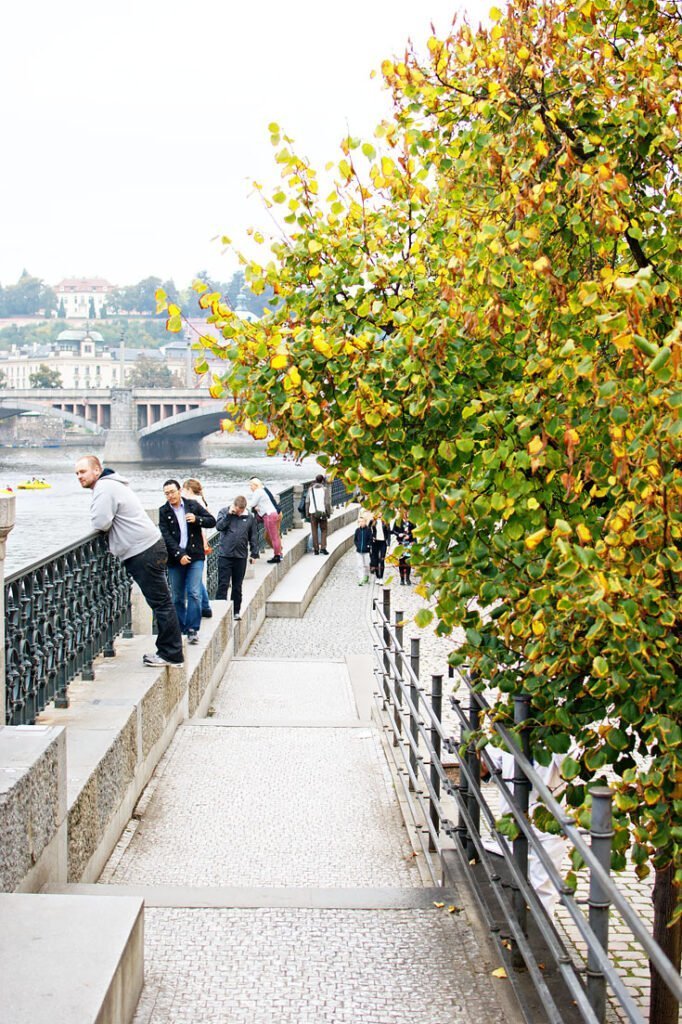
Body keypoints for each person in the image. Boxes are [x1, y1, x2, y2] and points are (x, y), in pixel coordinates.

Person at [75, 454, 184, 668]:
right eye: (77, 473)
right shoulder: (114, 484)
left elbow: (101, 522)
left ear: (97, 470)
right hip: (149, 546)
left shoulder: (105, 488)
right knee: (162, 601)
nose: (79, 476)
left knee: (161, 603)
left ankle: (171, 654)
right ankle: (169, 651)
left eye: (83, 472)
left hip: (142, 550)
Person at [159, 479, 216, 645]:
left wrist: (198, 519)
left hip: (196, 555)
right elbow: (166, 536)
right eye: (167, 493)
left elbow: (212, 520)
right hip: (176, 559)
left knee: (194, 592)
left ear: (179, 491)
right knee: (177, 596)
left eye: (172, 492)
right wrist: (179, 554)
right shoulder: (164, 511)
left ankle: (192, 629)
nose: (170, 496)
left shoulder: (192, 505)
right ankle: (181, 627)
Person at [215, 495, 259, 620]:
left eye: (241, 511)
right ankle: (220, 610)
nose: (239, 514)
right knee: (223, 584)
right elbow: (219, 527)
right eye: (237, 511)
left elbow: (253, 536)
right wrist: (229, 515)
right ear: (234, 506)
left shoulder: (249, 517)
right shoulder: (224, 512)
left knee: (237, 586)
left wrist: (254, 553)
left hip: (240, 556)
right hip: (225, 555)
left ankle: (236, 611)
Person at [182, 478, 213, 618]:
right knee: (195, 579)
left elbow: (205, 522)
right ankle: (205, 606)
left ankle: (204, 606)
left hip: (196, 544)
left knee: (192, 580)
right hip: (200, 543)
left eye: (183, 489)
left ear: (188, 489)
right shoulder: (202, 500)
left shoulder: (194, 502)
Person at [247, 477, 283, 564]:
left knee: (273, 537)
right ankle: (278, 554)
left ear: (255, 485)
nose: (250, 487)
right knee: (274, 536)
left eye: (251, 485)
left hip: (269, 516)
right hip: (272, 514)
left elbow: (251, 504)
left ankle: (277, 555)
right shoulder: (262, 491)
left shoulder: (257, 492)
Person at [305, 474, 331, 555]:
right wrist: (328, 513)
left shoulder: (310, 489)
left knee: (314, 530)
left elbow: (307, 502)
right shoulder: (325, 489)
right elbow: (327, 503)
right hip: (322, 513)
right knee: (324, 530)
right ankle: (323, 548)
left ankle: (316, 549)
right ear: (323, 481)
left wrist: (307, 512)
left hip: (313, 512)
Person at [392, 511, 415, 585]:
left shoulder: (412, 521)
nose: (406, 514)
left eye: (407, 512)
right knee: (401, 561)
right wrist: (399, 534)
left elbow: (415, 531)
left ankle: (407, 578)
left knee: (408, 561)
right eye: (404, 512)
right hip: (401, 544)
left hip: (409, 544)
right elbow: (393, 531)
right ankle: (402, 579)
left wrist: (410, 536)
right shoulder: (398, 521)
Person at [354, 510, 373, 585]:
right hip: (359, 550)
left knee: (366, 565)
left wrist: (368, 545)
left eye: (362, 521)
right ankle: (361, 578)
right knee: (360, 565)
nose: (361, 523)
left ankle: (366, 575)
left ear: (365, 522)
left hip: (366, 550)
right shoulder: (357, 531)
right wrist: (357, 545)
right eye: (360, 522)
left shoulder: (368, 530)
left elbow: (370, 539)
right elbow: (355, 539)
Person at [370, 515, 391, 580]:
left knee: (382, 560)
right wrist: (372, 537)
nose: (379, 514)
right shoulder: (373, 521)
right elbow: (368, 531)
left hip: (383, 542)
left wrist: (388, 544)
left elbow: (388, 533)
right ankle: (377, 576)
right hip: (375, 542)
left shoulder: (386, 521)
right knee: (375, 560)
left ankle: (381, 577)